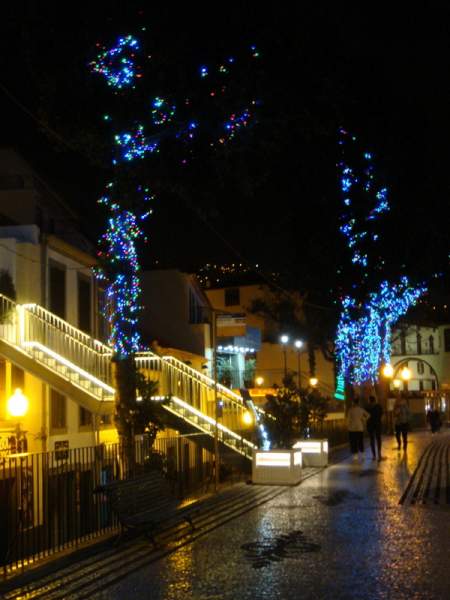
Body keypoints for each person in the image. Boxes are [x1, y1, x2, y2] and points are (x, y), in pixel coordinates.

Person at [366, 395, 383, 461]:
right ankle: (379, 452)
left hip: (370, 425)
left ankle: (374, 455)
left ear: (369, 400)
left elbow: (365, 416)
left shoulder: (367, 407)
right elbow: (381, 414)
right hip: (378, 424)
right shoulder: (379, 406)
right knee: (378, 438)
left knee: (372, 439)